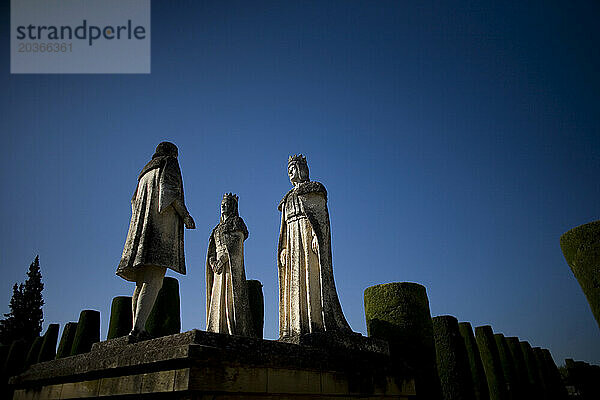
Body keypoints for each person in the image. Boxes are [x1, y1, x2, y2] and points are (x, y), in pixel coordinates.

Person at [116, 142, 195, 341]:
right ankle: (138, 329)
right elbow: (169, 192)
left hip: (141, 232)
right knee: (155, 280)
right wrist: (186, 216)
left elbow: (133, 203)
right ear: (173, 153)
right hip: (160, 230)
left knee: (142, 281)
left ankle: (136, 326)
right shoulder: (170, 163)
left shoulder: (144, 173)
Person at [277, 154, 351, 338]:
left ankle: (315, 322)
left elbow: (321, 219)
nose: (291, 173)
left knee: (311, 276)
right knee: (294, 282)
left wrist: (318, 236)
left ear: (302, 168)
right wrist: (283, 247)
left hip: (306, 235)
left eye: (293, 168)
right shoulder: (287, 198)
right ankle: (296, 325)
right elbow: (284, 227)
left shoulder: (314, 189)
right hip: (293, 239)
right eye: (288, 170)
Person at [206, 193, 254, 336]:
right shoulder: (217, 228)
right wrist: (213, 262)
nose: (223, 206)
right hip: (218, 268)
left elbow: (235, 243)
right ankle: (217, 327)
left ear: (232, 206)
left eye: (227, 203)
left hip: (230, 266)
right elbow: (212, 249)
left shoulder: (236, 222)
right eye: (222, 204)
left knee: (229, 297)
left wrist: (222, 260)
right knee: (217, 297)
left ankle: (230, 328)